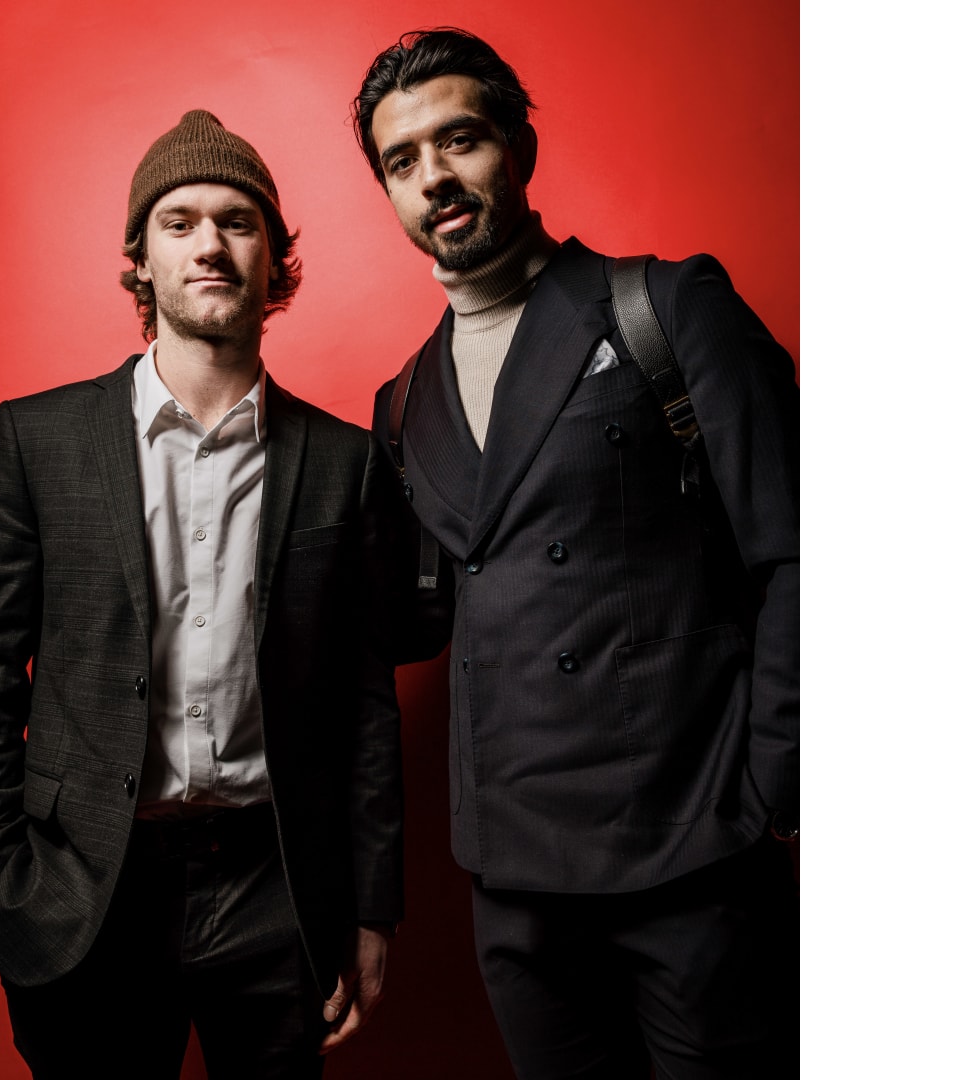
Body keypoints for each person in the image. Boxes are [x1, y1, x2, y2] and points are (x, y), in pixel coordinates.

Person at [353, 29, 801, 1079]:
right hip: (514, 886)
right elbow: (416, 619)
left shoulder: (665, 307)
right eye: (402, 161)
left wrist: (779, 797)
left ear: (518, 146)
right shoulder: (403, 403)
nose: (434, 177)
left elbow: (800, 551)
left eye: (459, 140)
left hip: (691, 854)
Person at [0, 109, 404, 1079]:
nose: (210, 245)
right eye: (179, 221)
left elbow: (364, 705)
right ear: (141, 260)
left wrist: (371, 909)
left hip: (277, 889)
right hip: (85, 889)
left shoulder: (345, 462)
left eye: (238, 221)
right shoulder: (41, 439)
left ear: (274, 259)